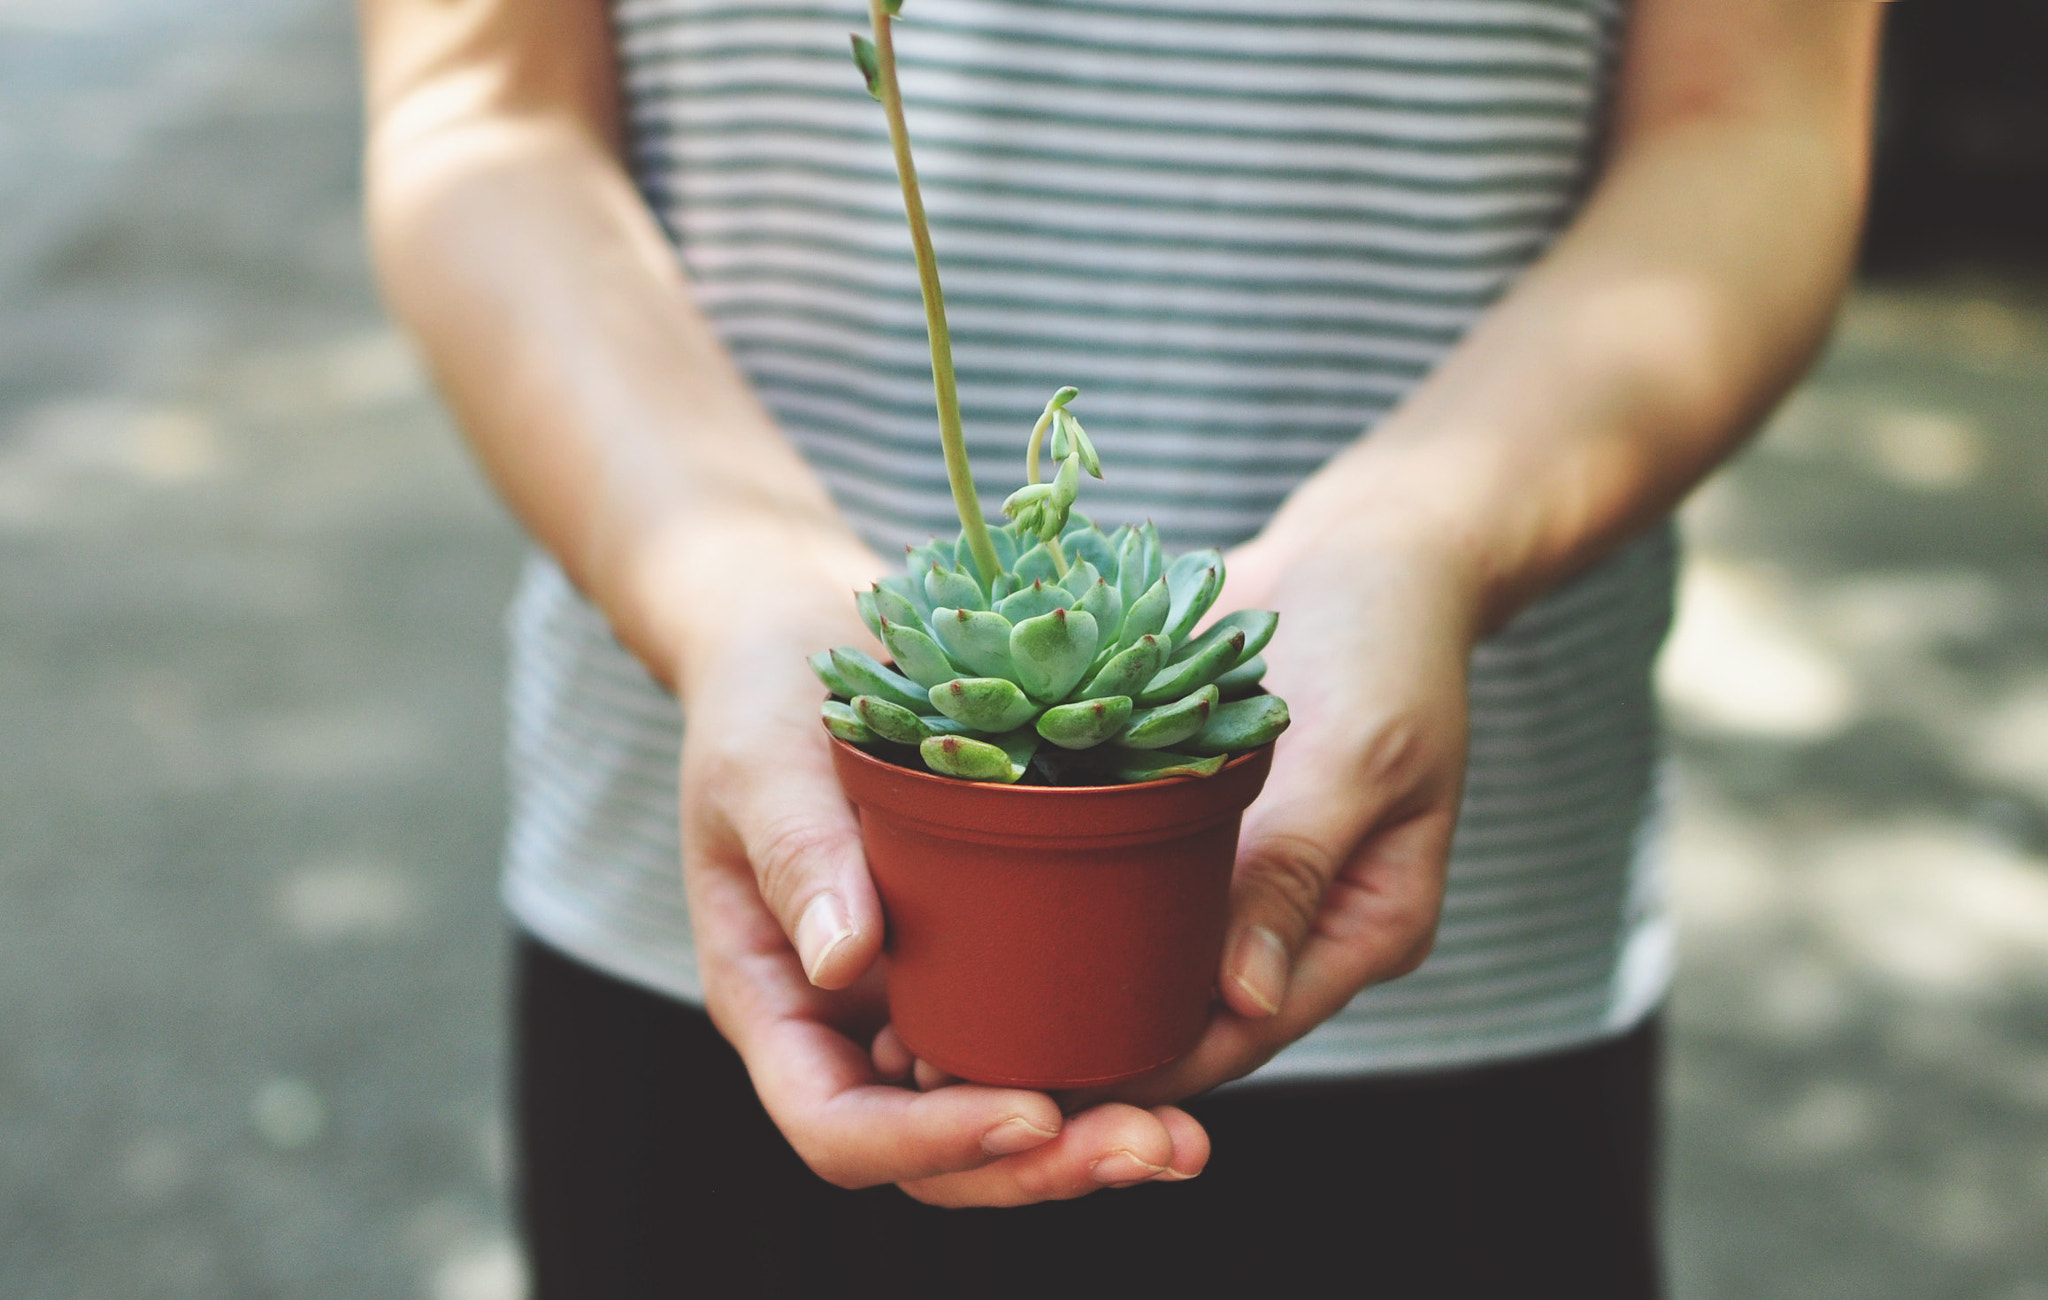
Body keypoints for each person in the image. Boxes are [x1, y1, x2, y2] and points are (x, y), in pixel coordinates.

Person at [359, 0, 1881, 1293]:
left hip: (1468, 963)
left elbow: (1752, 125)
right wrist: (717, 573)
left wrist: (1426, 535)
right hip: (737, 927)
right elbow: (486, 110)